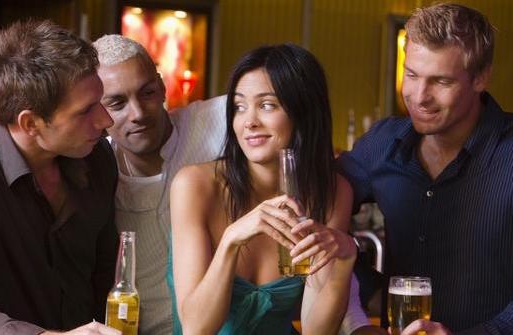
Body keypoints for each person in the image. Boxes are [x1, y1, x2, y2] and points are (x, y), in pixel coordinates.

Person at [0, 20, 121, 335]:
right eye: (85, 111)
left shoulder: (97, 157)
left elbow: (103, 279)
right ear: (30, 123)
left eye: (101, 101)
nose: (106, 120)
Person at [169, 43, 370, 335]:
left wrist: (346, 258)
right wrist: (231, 240)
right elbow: (196, 328)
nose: (248, 121)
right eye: (239, 107)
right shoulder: (195, 185)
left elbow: (316, 329)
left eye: (267, 105)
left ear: (302, 112)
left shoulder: (331, 191)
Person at [338, 3, 513, 334]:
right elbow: (318, 202)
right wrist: (366, 298)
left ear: (481, 78)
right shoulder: (382, 143)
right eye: (412, 74)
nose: (418, 96)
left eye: (441, 81)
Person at [92, 34, 226, 334]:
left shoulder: (217, 122)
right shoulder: (96, 166)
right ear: (96, 110)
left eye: (147, 92)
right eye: (116, 103)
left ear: (163, 87)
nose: (138, 113)